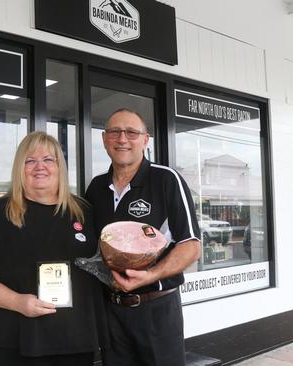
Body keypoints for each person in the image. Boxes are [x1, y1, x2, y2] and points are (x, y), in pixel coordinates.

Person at [0, 131, 107, 366]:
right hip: (12, 342)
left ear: (60, 166)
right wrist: (18, 302)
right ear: (20, 167)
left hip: (75, 342)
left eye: (48, 159)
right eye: (30, 160)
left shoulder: (84, 212)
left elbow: (103, 265)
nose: (40, 167)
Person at [85, 108, 201, 366]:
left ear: (145, 140)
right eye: (114, 132)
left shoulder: (166, 180)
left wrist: (150, 275)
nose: (122, 139)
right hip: (111, 310)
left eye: (131, 132)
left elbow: (191, 245)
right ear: (105, 139)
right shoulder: (95, 189)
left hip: (156, 310)